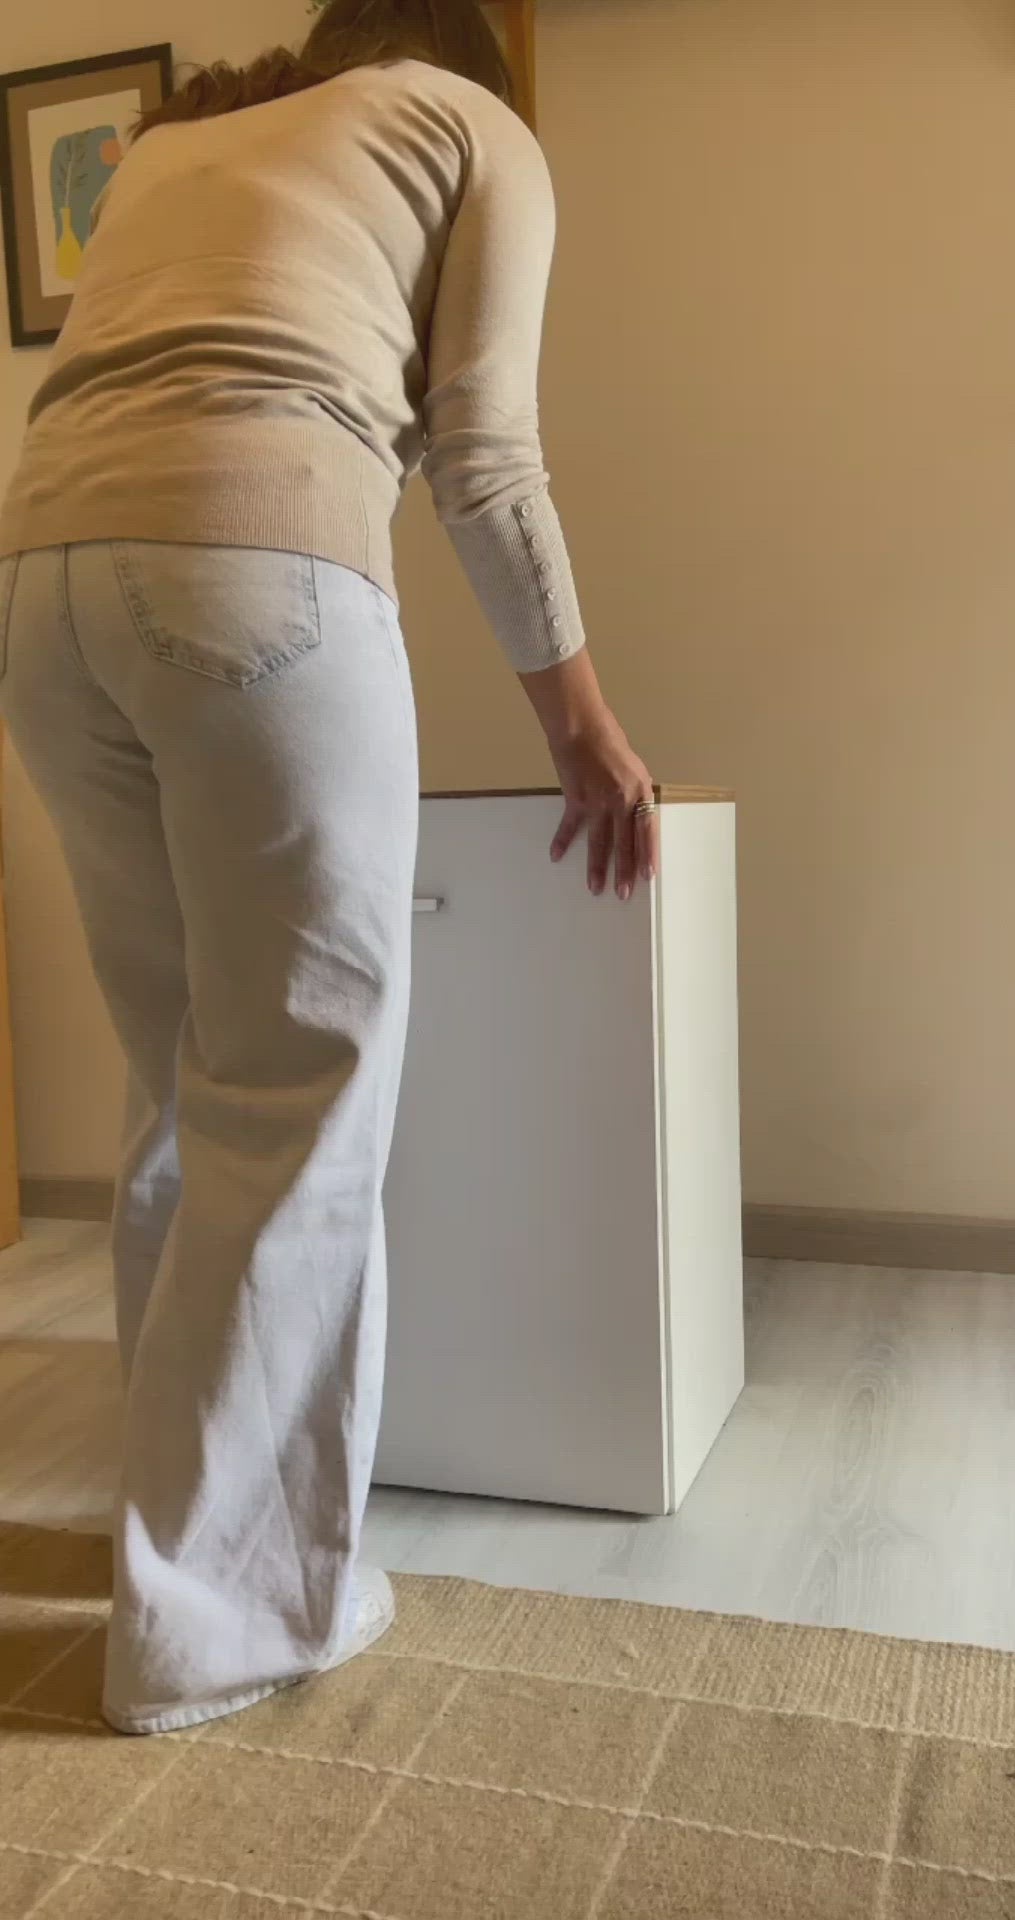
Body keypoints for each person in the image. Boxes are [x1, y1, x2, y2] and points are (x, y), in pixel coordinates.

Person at [0, 0, 657, 1735]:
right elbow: (485, 457)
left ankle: (171, 1547)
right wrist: (584, 727)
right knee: (298, 1089)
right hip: (257, 564)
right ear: (464, 53)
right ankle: (224, 1622)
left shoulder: (175, 146)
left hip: (39, 590)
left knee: (182, 1081)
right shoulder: (476, 126)